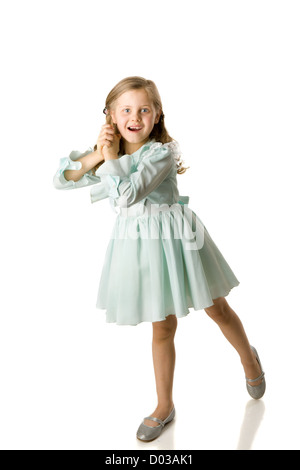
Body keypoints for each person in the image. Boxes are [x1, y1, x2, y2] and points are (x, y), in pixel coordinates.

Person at [53, 76, 266, 442]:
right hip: (139, 246)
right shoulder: (111, 153)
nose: (134, 117)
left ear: (157, 115)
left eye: (143, 110)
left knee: (216, 308)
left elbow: (126, 196)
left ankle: (249, 358)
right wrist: (98, 152)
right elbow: (62, 179)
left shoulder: (160, 153)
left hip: (177, 239)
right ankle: (164, 406)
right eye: (125, 110)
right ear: (111, 116)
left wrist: (110, 157)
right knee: (162, 326)